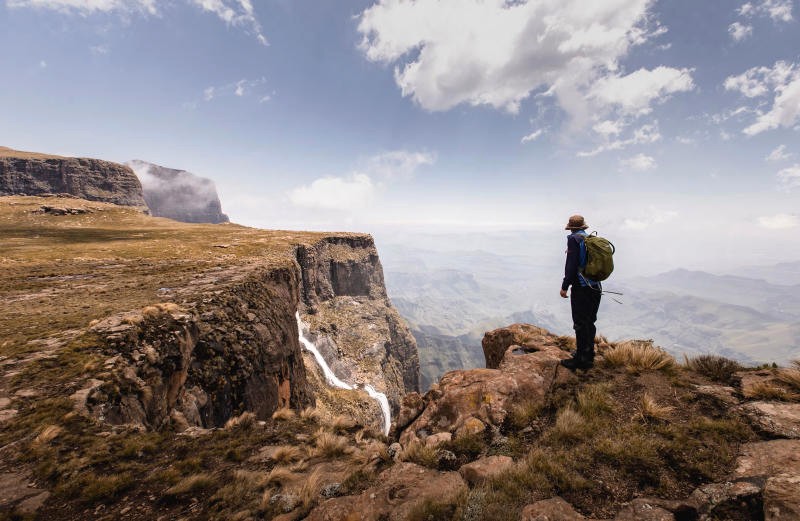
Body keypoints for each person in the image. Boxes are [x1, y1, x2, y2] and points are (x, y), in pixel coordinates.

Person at [559, 215, 602, 370]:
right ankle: (588, 354)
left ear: (571, 227)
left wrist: (565, 286)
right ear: (583, 226)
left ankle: (581, 361)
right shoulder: (590, 239)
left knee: (580, 323)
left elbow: (571, 266)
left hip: (582, 288)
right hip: (596, 287)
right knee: (589, 322)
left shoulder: (573, 240)